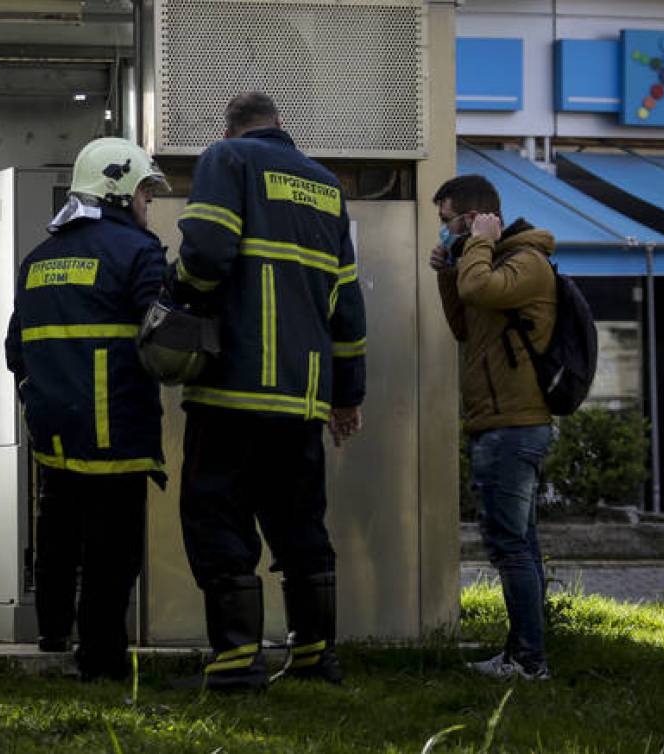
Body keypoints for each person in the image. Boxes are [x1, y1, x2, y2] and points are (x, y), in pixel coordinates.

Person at [165, 92, 366, 691]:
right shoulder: (326, 185)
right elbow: (347, 305)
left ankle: (234, 662)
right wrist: (347, 394)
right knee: (300, 522)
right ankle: (313, 657)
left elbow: (204, 251)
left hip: (233, 387)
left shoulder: (226, 159)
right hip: (303, 396)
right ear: (282, 124)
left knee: (215, 512)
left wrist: (180, 290)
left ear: (230, 126)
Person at [5, 137, 169, 682]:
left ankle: (53, 631)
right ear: (118, 189)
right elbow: (164, 334)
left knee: (57, 527)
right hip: (115, 423)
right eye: (146, 192)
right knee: (113, 548)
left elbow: (15, 349)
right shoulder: (138, 252)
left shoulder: (39, 259)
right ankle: (101, 659)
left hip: (54, 428)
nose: (149, 205)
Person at [429, 174, 558, 681]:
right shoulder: (489, 261)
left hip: (515, 424)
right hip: (496, 421)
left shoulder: (526, 262)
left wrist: (477, 244)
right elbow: (466, 325)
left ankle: (529, 659)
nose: (442, 232)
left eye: (447, 222)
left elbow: (480, 287)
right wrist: (448, 270)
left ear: (473, 215)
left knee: (511, 547)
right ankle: (522, 652)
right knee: (517, 544)